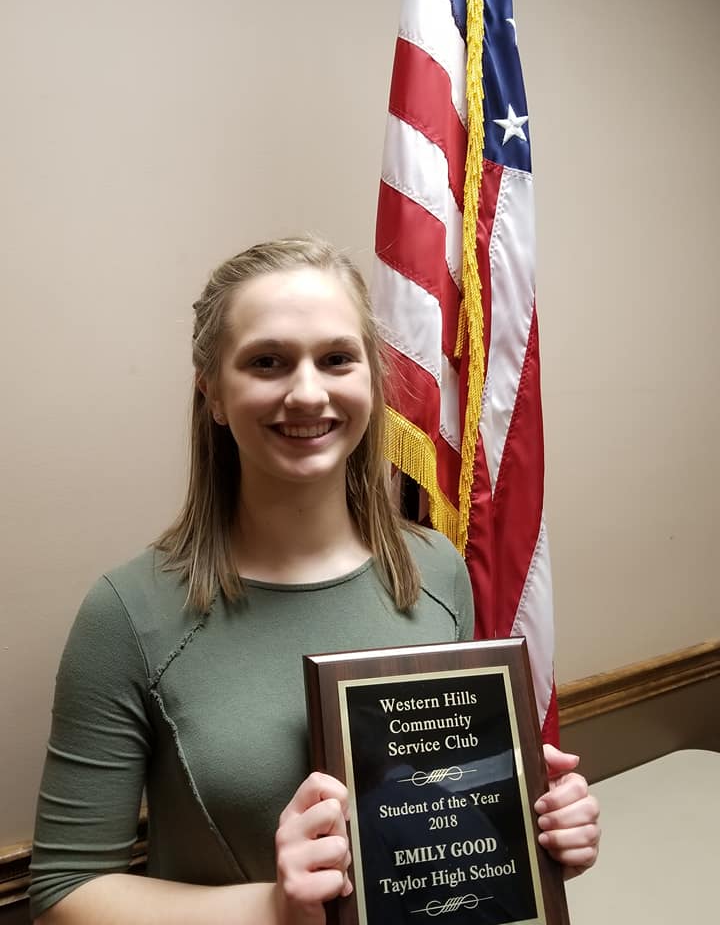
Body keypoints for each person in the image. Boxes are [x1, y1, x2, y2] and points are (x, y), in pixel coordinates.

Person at [29, 238, 600, 925]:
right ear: (212, 391)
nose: (307, 392)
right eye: (267, 362)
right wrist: (275, 907)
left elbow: (435, 810)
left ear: (371, 382)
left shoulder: (437, 573)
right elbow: (64, 893)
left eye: (336, 359)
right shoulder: (127, 612)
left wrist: (533, 832)